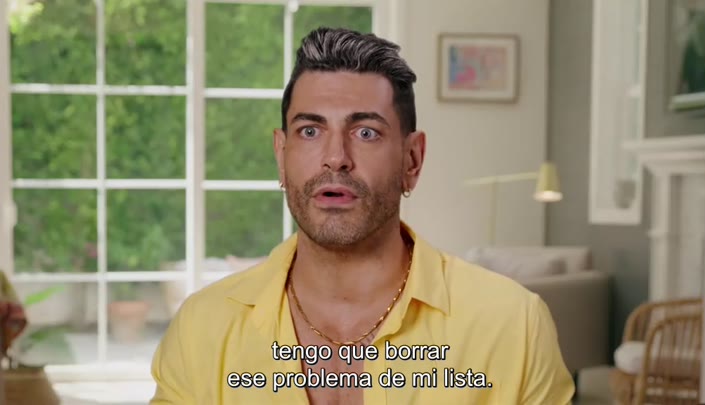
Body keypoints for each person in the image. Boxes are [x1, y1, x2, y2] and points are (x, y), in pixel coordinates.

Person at [150, 27, 575, 405]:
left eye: (366, 132)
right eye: (310, 131)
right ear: (281, 155)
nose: (336, 157)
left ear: (412, 160)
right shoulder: (202, 327)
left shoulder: (513, 325)